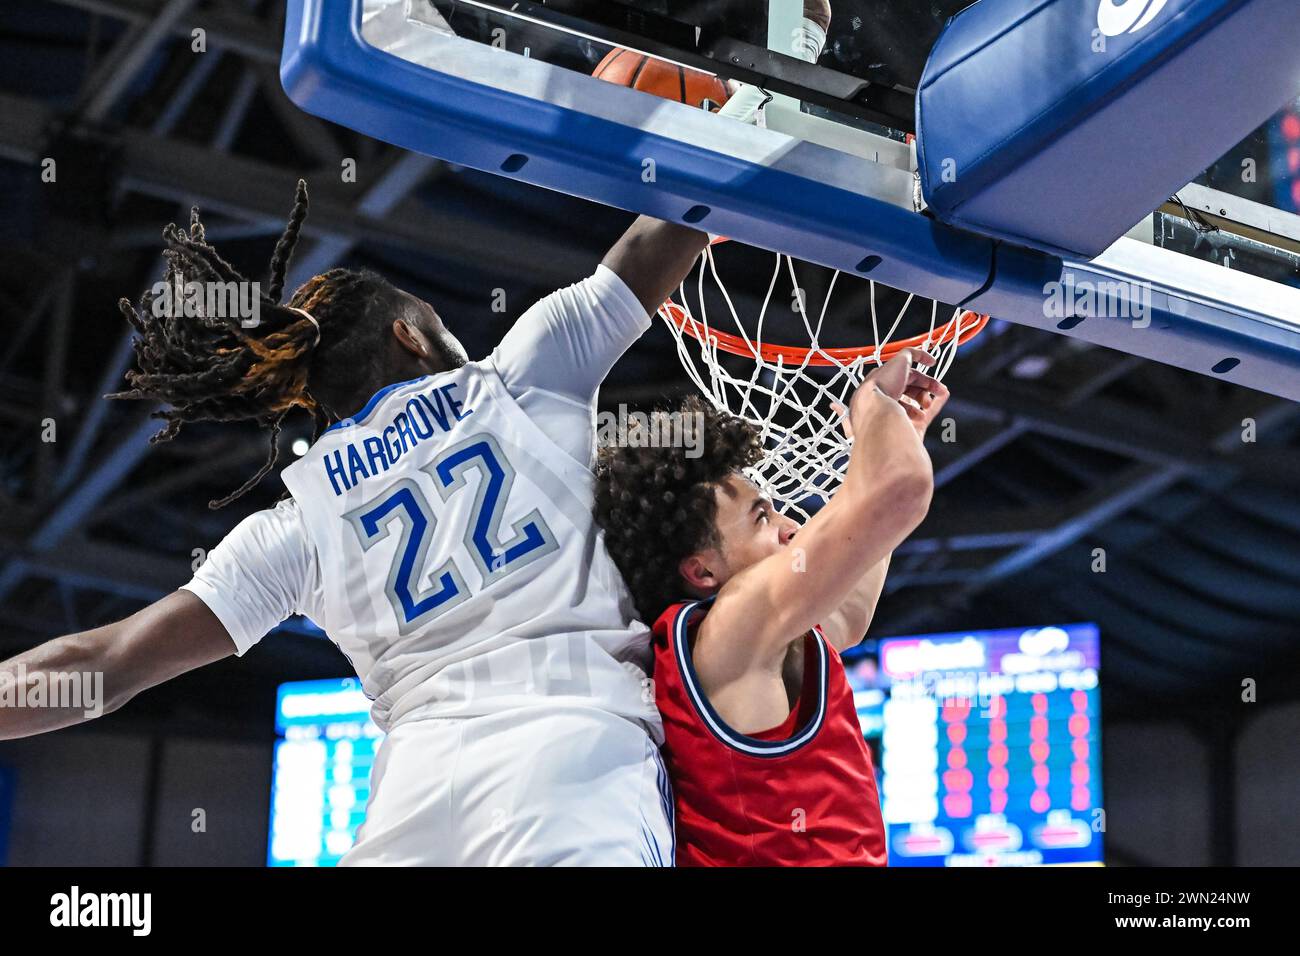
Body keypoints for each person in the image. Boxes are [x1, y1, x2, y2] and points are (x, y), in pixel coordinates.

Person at [0, 180, 710, 866]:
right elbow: (668, 225)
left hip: (417, 802)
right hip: (574, 764)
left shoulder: (298, 525)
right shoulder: (523, 375)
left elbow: (102, 666)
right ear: (410, 333)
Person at [594, 349, 948, 865]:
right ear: (701, 572)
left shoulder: (756, 636)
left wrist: (898, 436)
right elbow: (902, 488)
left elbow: (848, 609)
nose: (788, 527)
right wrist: (870, 409)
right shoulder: (731, 621)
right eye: (761, 519)